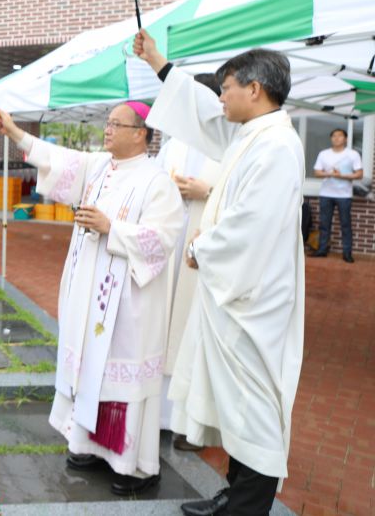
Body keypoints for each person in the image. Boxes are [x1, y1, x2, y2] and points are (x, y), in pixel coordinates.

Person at [134, 29, 305, 516]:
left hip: (254, 300)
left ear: (255, 88)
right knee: (237, 405)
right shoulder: (253, 134)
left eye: (227, 88)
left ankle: (247, 507)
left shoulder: (275, 146)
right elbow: (203, 113)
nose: (221, 97)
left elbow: (251, 223)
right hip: (237, 295)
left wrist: (200, 248)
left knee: (253, 405)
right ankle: (236, 494)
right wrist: (158, 63)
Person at [0, 102, 183, 496]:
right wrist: (14, 132)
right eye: (107, 122)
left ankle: (133, 466)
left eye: (117, 124)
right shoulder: (99, 167)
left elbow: (163, 239)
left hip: (127, 301)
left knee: (118, 378)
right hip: (89, 292)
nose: (107, 129)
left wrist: (111, 227)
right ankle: (88, 446)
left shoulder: (156, 182)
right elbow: (55, 157)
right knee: (89, 370)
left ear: (141, 134)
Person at [155, 73, 222, 451]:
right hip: (171, 246)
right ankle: (161, 417)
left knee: (194, 333)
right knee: (164, 327)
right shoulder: (174, 144)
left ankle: (192, 426)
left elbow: (243, 197)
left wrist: (206, 191)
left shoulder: (228, 145)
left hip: (203, 252)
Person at [313, 128, 362, 262]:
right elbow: (317, 172)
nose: (336, 138)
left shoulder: (352, 154)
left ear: (345, 139)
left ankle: (347, 253)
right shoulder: (324, 154)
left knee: (345, 224)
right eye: (334, 136)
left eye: (340, 136)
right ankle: (322, 250)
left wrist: (342, 176)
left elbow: (359, 174)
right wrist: (330, 174)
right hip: (326, 194)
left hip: (344, 195)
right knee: (324, 224)